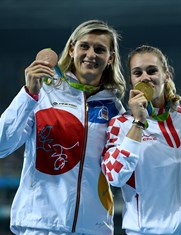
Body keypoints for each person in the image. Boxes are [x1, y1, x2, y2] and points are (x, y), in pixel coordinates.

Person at [0, 19, 126, 234]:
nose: (91, 54)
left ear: (110, 58)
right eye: (84, 46)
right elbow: (2, 144)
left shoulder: (115, 108)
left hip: (94, 227)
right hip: (40, 224)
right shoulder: (43, 93)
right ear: (71, 48)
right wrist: (28, 94)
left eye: (100, 49)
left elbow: (121, 172)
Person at [101, 45, 181, 235]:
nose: (145, 77)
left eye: (152, 71)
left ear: (166, 75)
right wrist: (139, 123)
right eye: (137, 73)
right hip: (145, 231)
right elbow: (114, 177)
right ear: (132, 80)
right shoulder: (121, 124)